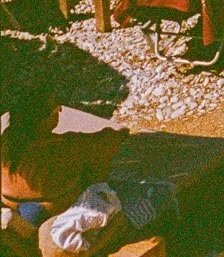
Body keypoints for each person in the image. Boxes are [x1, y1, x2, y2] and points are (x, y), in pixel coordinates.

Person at [1, 83, 132, 257]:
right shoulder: (61, 148)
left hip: (13, 206)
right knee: (116, 215)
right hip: (46, 211)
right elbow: (106, 142)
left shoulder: (6, 142)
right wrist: (119, 134)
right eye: (57, 111)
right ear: (48, 118)